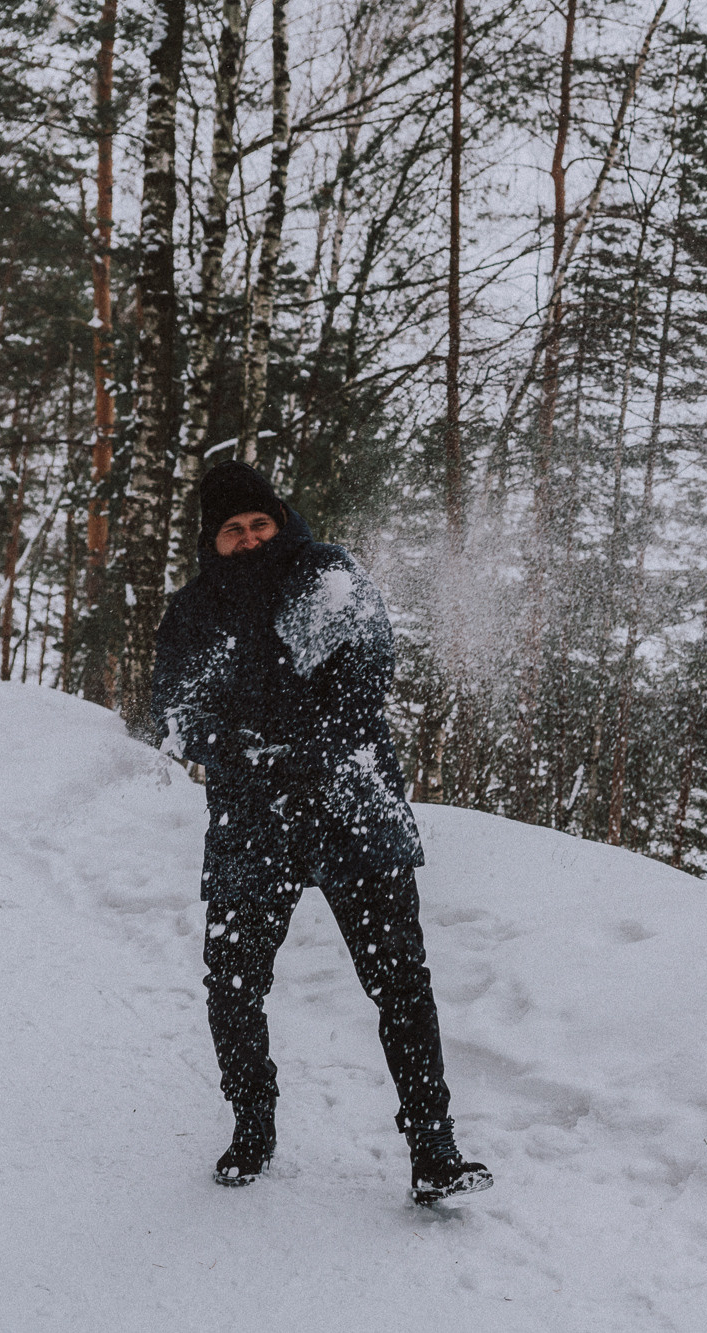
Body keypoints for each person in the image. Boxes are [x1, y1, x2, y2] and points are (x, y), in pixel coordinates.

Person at [151, 459, 491, 1206]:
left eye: (259, 523)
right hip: (251, 820)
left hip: (350, 803)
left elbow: (366, 674)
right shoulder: (195, 612)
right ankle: (252, 1125)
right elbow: (175, 714)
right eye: (232, 530)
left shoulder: (327, 575)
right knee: (233, 983)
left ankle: (434, 1148)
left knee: (401, 981)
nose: (249, 538)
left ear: (280, 520)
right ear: (212, 541)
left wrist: (300, 747)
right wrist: (245, 750)